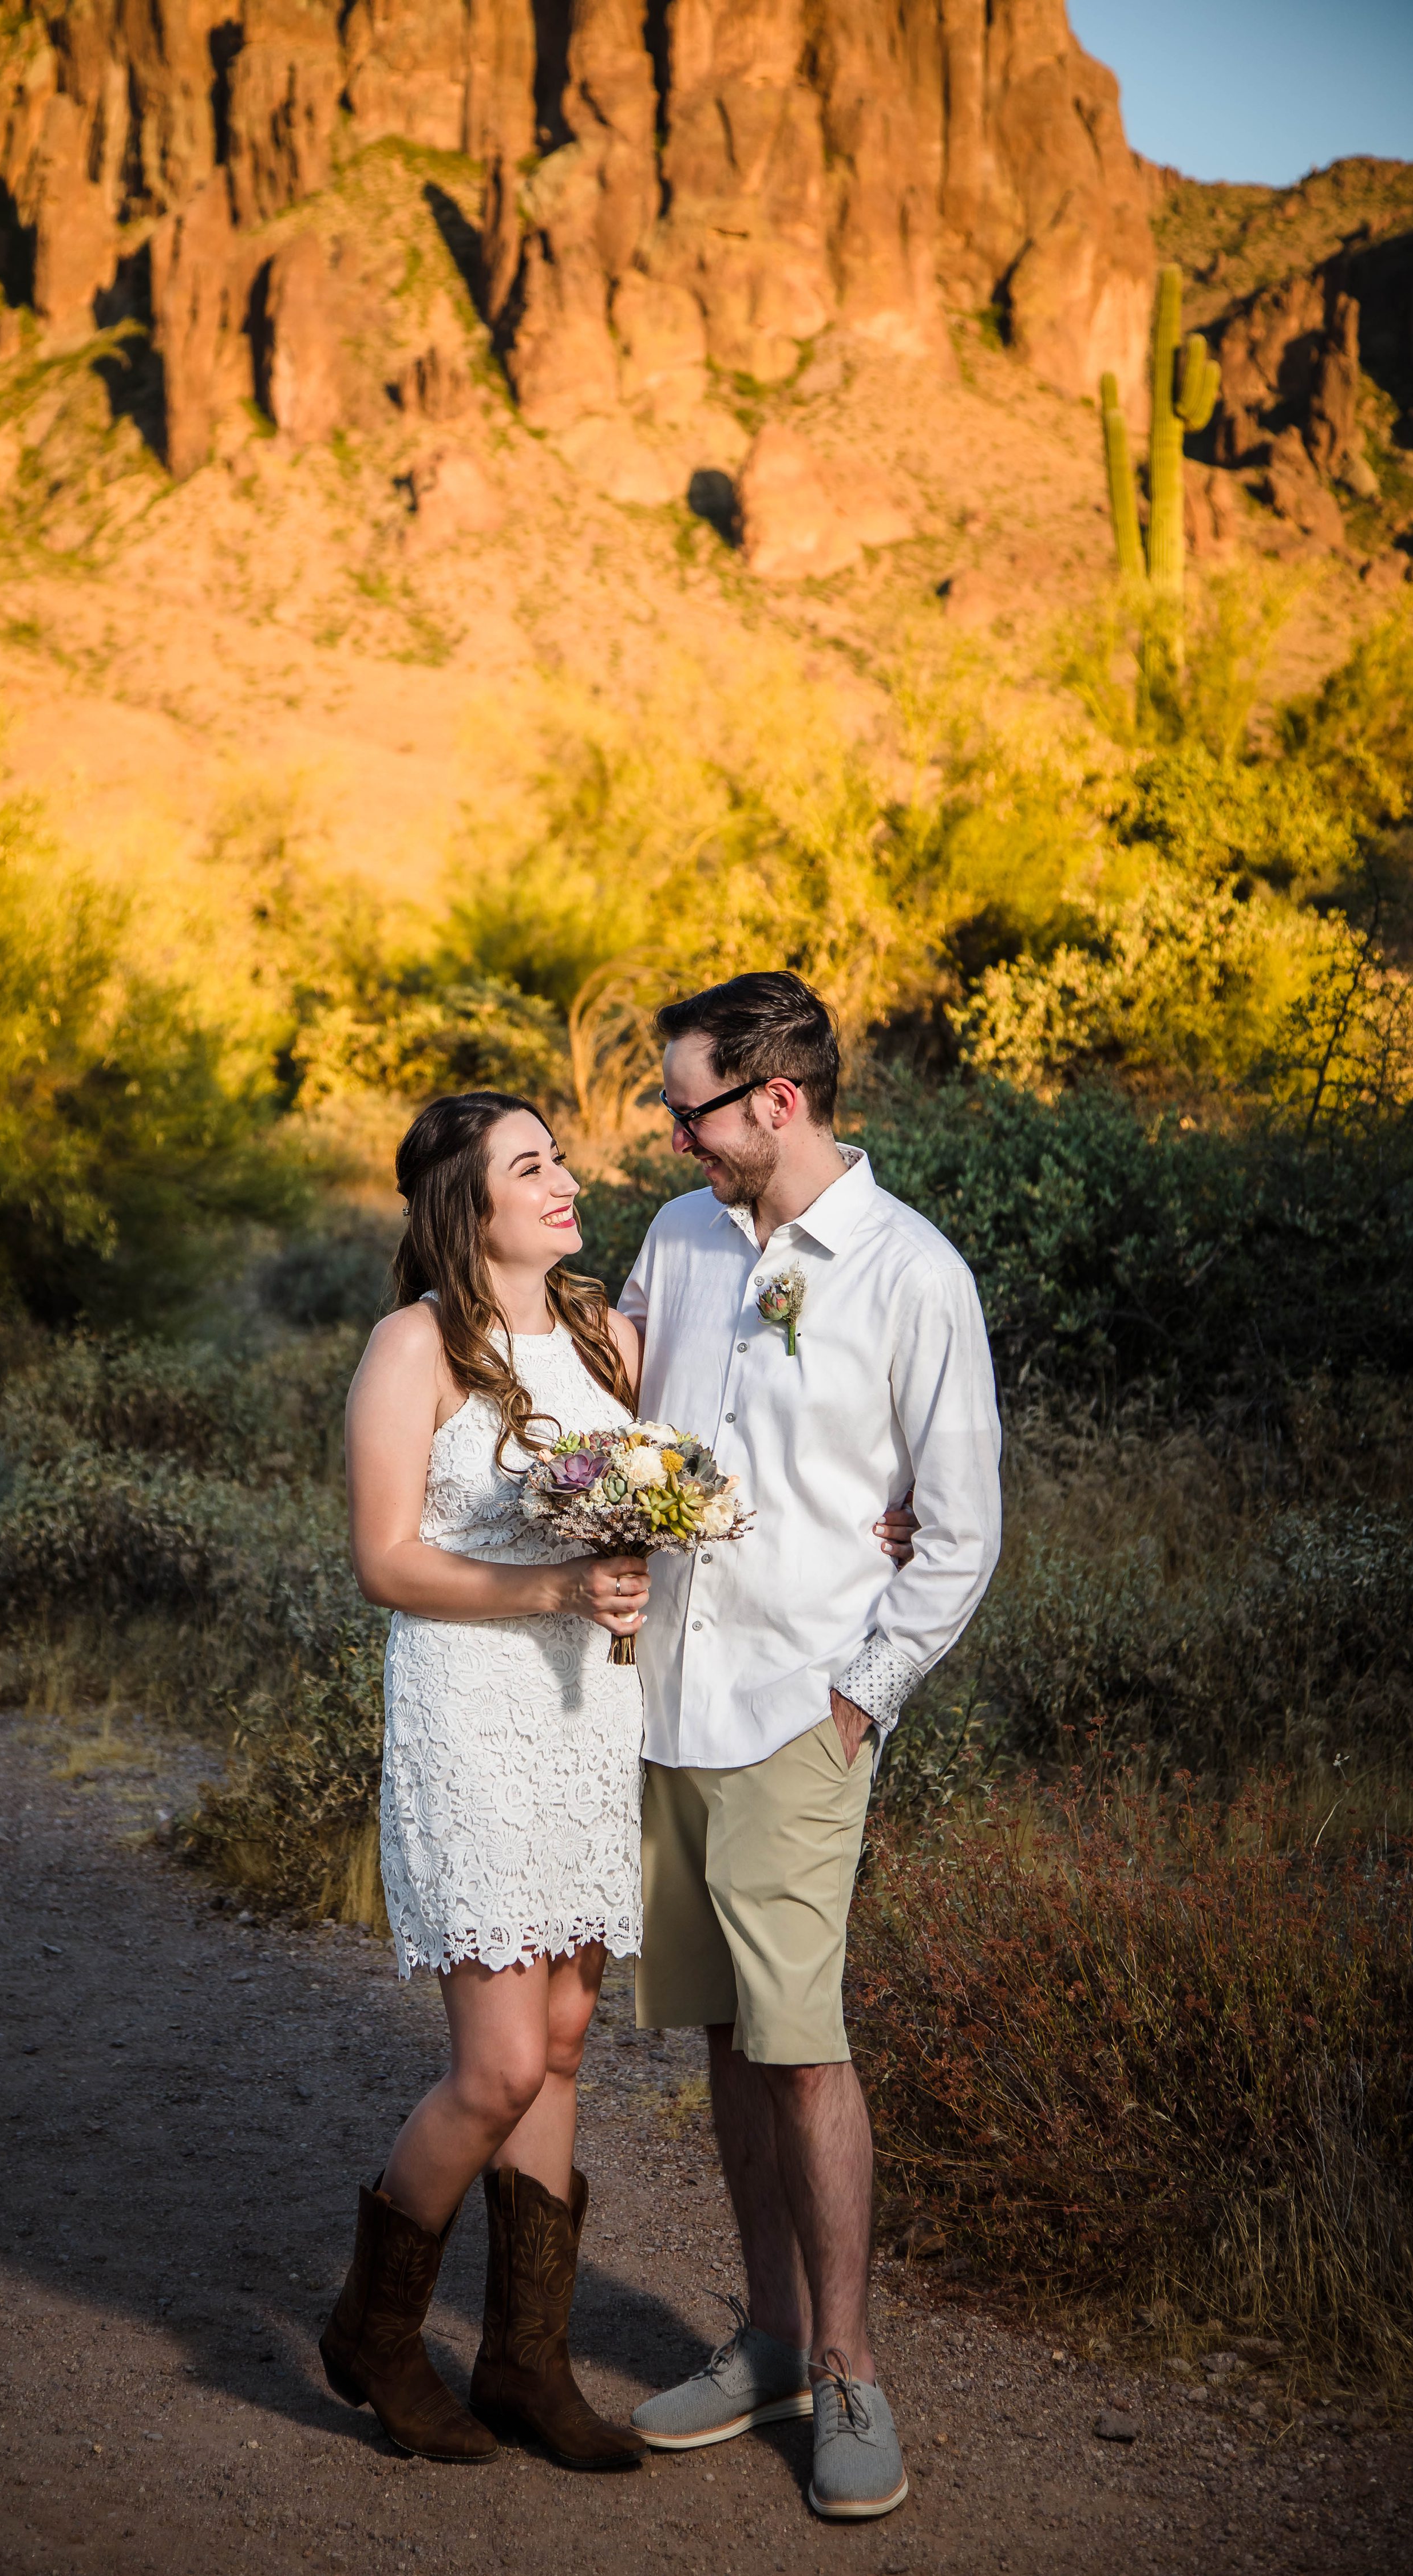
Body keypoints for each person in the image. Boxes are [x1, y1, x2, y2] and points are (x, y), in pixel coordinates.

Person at [618, 971, 1002, 2524]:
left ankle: (848, 2363)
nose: (670, 1130)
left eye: (688, 1105)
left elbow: (960, 1530)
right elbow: (631, 1431)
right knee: (721, 2033)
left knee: (803, 2038)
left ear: (778, 1099)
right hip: (666, 1702)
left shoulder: (913, 1275)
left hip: (795, 1708)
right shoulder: (680, 1239)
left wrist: (860, 1696)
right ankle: (770, 2332)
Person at [319, 1090, 651, 2471]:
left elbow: (660, 1487)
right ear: (470, 1204)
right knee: (501, 2061)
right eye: (534, 1165)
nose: (567, 1179)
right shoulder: (415, 1348)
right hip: (473, 1716)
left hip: (587, 1721)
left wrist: (639, 1559)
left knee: (566, 2044)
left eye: (560, 1156)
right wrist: (558, 1585)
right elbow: (386, 1561)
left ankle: (528, 2364)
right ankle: (377, 2334)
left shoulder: (607, 1336)